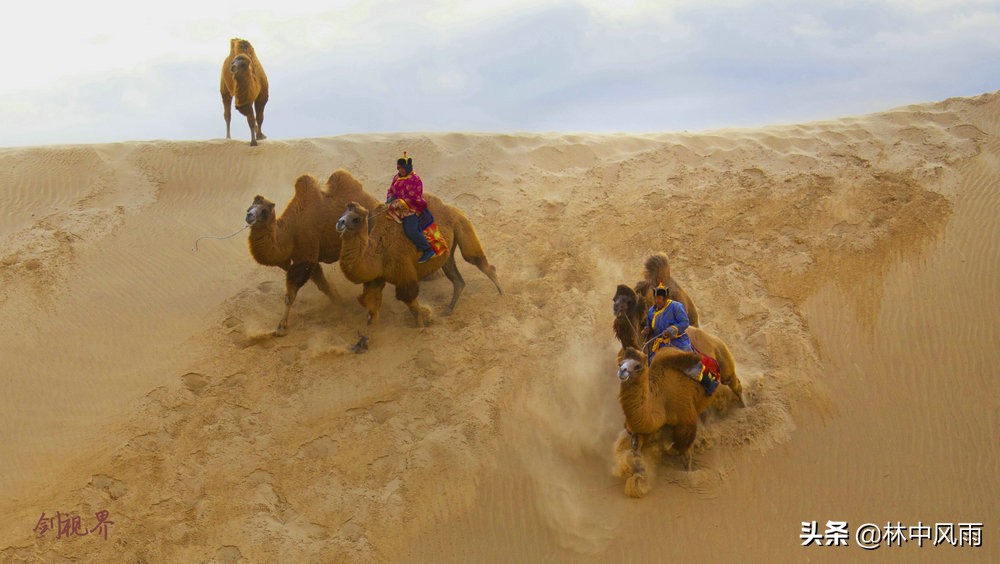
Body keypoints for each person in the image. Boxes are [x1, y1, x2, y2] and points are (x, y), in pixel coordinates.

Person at [640, 285, 718, 395]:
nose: (656, 301)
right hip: (660, 345)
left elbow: (685, 322)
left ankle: (708, 382)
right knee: (651, 366)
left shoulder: (676, 307)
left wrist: (672, 330)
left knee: (688, 366)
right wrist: (646, 330)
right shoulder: (652, 311)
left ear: (665, 298)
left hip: (677, 342)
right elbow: (650, 325)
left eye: (659, 298)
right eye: (655, 298)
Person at [386, 151, 435, 263]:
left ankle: (427, 249)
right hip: (396, 206)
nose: (400, 170)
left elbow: (414, 196)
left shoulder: (415, 179)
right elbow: (391, 190)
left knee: (411, 230)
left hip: (411, 208)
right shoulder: (396, 178)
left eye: (402, 168)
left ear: (408, 167)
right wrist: (390, 198)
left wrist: (400, 203)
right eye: (399, 168)